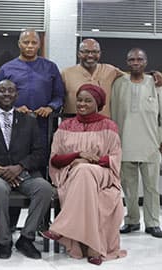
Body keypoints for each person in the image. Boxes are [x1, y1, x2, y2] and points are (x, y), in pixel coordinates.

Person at [43, 84, 126, 265]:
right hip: (71, 173)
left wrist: (89, 161)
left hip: (103, 175)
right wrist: (77, 156)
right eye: (80, 100)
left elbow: (115, 158)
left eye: (88, 101)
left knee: (84, 170)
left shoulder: (109, 125)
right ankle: (94, 248)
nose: (82, 104)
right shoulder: (66, 125)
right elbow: (55, 160)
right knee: (82, 173)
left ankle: (60, 228)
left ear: (98, 103)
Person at [0, 80, 53, 260]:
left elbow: (40, 152)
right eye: (2, 91)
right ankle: (4, 241)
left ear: (17, 95)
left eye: (11, 91)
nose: (6, 94)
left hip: (24, 172)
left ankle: (26, 238)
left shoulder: (29, 120)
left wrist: (20, 166)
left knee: (45, 188)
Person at [0, 29, 64, 229]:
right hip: (14, 132)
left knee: (42, 175)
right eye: (26, 42)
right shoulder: (7, 68)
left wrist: (50, 107)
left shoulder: (50, 67)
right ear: (19, 44)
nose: (30, 46)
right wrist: (14, 109)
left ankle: (41, 225)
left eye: (34, 42)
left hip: (44, 129)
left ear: (39, 44)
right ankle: (10, 225)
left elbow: (59, 96)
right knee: (15, 176)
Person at [111, 48, 162, 238]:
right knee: (129, 187)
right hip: (125, 142)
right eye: (131, 59)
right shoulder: (119, 84)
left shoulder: (156, 83)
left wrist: (161, 140)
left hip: (151, 144)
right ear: (127, 62)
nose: (135, 62)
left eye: (139, 59)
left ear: (146, 62)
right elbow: (114, 114)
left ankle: (153, 223)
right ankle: (132, 220)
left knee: (151, 187)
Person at [61, 38, 123, 117]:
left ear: (100, 54)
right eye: (86, 52)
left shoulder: (111, 71)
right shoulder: (66, 74)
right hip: (74, 126)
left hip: (103, 126)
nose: (90, 55)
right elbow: (57, 98)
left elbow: (131, 79)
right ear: (79, 53)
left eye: (94, 52)